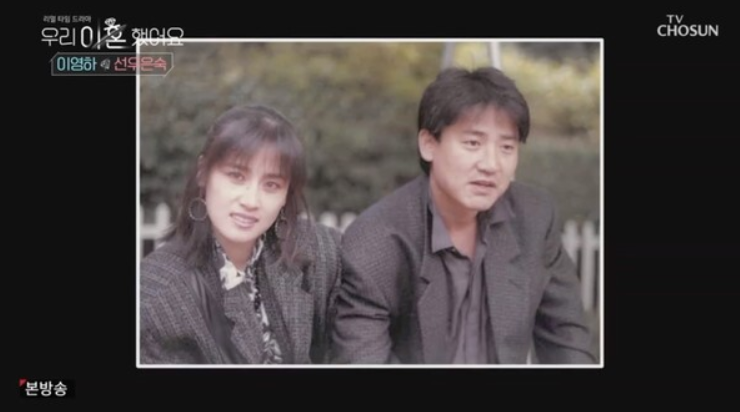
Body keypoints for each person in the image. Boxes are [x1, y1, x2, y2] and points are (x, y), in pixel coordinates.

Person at [331, 67, 596, 364]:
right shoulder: (376, 241)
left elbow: (567, 340)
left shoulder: (534, 218)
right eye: (473, 143)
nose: (491, 164)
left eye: (507, 147)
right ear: (428, 144)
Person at [140, 104, 341, 364]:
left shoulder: (321, 252)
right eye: (237, 176)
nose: (251, 200)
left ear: (286, 194)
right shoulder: (156, 296)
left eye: (271, 184)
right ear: (203, 173)